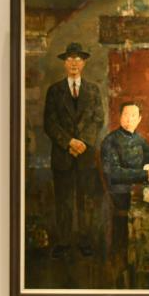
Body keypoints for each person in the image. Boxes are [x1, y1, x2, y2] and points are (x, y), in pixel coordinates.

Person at [43, 42, 104, 258]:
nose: (74, 63)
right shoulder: (54, 91)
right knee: (63, 200)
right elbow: (49, 123)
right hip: (63, 155)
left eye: (78, 58)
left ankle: (85, 241)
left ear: (84, 62)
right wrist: (69, 142)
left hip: (85, 155)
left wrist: (83, 143)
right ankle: (64, 242)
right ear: (64, 63)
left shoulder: (93, 90)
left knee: (86, 200)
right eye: (70, 58)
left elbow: (98, 120)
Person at [100, 102, 149, 284]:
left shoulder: (140, 139)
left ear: (140, 119)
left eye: (133, 116)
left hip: (139, 190)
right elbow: (114, 173)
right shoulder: (110, 141)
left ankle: (148, 262)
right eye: (126, 115)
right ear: (120, 117)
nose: (129, 119)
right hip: (119, 193)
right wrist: (145, 174)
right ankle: (124, 266)